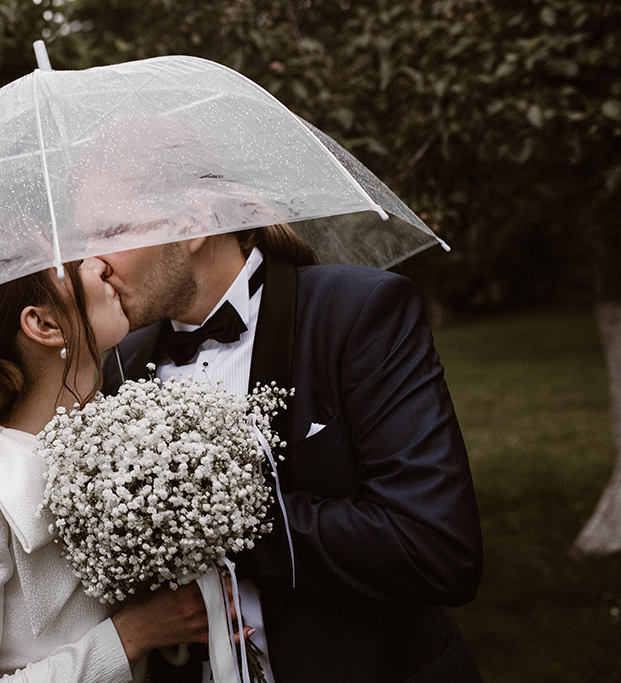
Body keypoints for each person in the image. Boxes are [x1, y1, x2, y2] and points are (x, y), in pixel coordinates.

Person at [97, 222, 484, 682]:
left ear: (192, 224)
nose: (94, 264)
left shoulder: (355, 310)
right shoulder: (121, 364)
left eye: (109, 234)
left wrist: (223, 520)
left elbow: (436, 547)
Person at [0, 259, 220, 682]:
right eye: (71, 263)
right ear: (44, 324)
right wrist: (132, 635)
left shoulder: (123, 441)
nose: (99, 264)